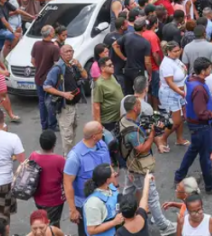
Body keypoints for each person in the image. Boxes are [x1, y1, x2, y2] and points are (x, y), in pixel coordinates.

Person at [118, 94, 177, 235]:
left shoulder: (124, 121)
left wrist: (151, 128)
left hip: (130, 165)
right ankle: (163, 226)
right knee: (152, 197)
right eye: (139, 104)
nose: (141, 106)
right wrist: (153, 134)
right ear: (134, 108)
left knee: (128, 190)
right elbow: (141, 148)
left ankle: (120, 215)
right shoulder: (132, 131)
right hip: (139, 168)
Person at [174, 58, 212, 196]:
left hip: (195, 125)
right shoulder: (199, 88)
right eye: (209, 68)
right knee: (206, 156)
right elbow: (201, 113)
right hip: (201, 126)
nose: (211, 70)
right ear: (203, 71)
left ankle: (179, 175)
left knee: (193, 150)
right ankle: (210, 185)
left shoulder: (192, 81)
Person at [65, 121, 113, 230]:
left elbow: (109, 167)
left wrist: (115, 187)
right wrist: (73, 210)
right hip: (85, 205)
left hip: (105, 199)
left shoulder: (102, 145)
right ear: (94, 136)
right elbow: (67, 183)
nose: (104, 133)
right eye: (101, 131)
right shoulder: (75, 157)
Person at [45, 44, 88, 154]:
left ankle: (71, 156)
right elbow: (46, 86)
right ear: (61, 54)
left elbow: (85, 76)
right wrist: (63, 94)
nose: (69, 53)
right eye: (66, 52)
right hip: (65, 107)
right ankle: (68, 160)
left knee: (73, 132)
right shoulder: (57, 69)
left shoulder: (73, 66)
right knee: (67, 136)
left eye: (71, 51)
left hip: (74, 105)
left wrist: (79, 66)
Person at [31, 130, 68, 228]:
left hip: (38, 197)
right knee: (53, 225)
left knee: (44, 220)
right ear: (54, 144)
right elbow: (66, 178)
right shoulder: (59, 160)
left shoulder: (33, 156)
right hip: (54, 200)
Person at [82, 163, 123, 235]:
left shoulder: (110, 187)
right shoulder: (93, 203)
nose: (116, 173)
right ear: (107, 180)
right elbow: (91, 230)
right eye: (113, 173)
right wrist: (114, 222)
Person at [92, 57, 124, 134]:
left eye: (112, 64)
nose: (113, 66)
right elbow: (96, 106)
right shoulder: (99, 84)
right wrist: (98, 124)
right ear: (102, 68)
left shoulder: (112, 76)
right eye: (109, 65)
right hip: (108, 122)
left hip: (117, 119)